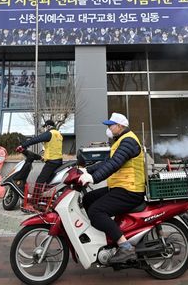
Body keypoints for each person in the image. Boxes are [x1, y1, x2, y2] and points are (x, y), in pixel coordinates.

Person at [78, 112, 146, 264]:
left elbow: (114, 164)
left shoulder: (128, 141)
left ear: (120, 126)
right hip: (121, 187)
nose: (108, 128)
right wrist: (87, 171)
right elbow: (106, 162)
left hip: (130, 190)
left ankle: (125, 246)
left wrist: (94, 178)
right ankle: (103, 235)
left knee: (96, 210)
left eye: (110, 125)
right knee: (88, 198)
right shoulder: (121, 140)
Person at [15, 119, 64, 187]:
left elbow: (36, 139)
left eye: (45, 127)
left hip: (51, 162)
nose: (45, 129)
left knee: (39, 182)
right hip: (58, 161)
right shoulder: (59, 134)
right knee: (49, 181)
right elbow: (53, 148)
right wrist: (42, 157)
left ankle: (36, 197)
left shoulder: (50, 133)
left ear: (48, 126)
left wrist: (22, 145)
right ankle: (47, 197)